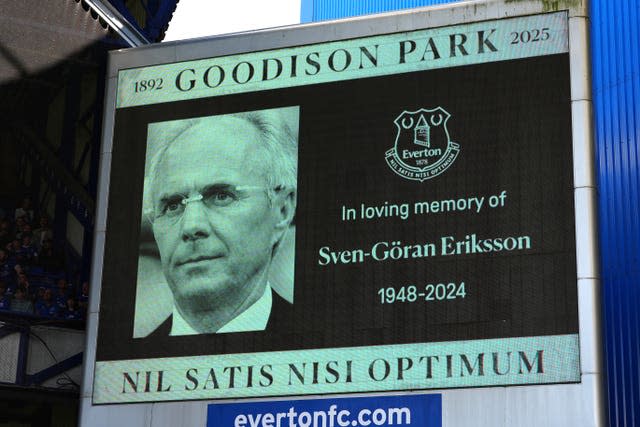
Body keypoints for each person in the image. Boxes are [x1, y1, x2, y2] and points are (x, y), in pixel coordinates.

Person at [143, 107, 298, 336]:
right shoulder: (129, 365)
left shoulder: (327, 339)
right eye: (173, 205)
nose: (191, 226)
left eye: (221, 196)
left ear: (282, 210)